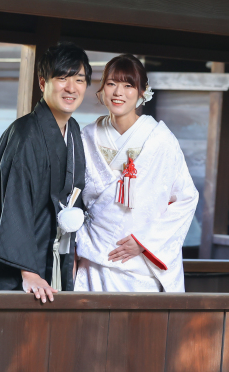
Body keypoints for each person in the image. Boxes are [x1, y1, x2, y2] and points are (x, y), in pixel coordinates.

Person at [0, 42, 91, 302]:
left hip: (55, 259)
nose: (71, 88)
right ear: (42, 82)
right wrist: (28, 272)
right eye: (62, 78)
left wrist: (70, 257)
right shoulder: (25, 134)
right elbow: (15, 203)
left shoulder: (73, 131)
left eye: (79, 80)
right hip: (27, 271)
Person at [74, 54, 198, 292]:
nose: (118, 92)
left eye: (128, 85)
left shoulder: (160, 140)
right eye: (111, 84)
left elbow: (186, 198)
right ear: (102, 90)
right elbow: (71, 197)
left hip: (140, 261)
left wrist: (145, 242)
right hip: (94, 256)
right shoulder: (85, 137)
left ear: (142, 92)